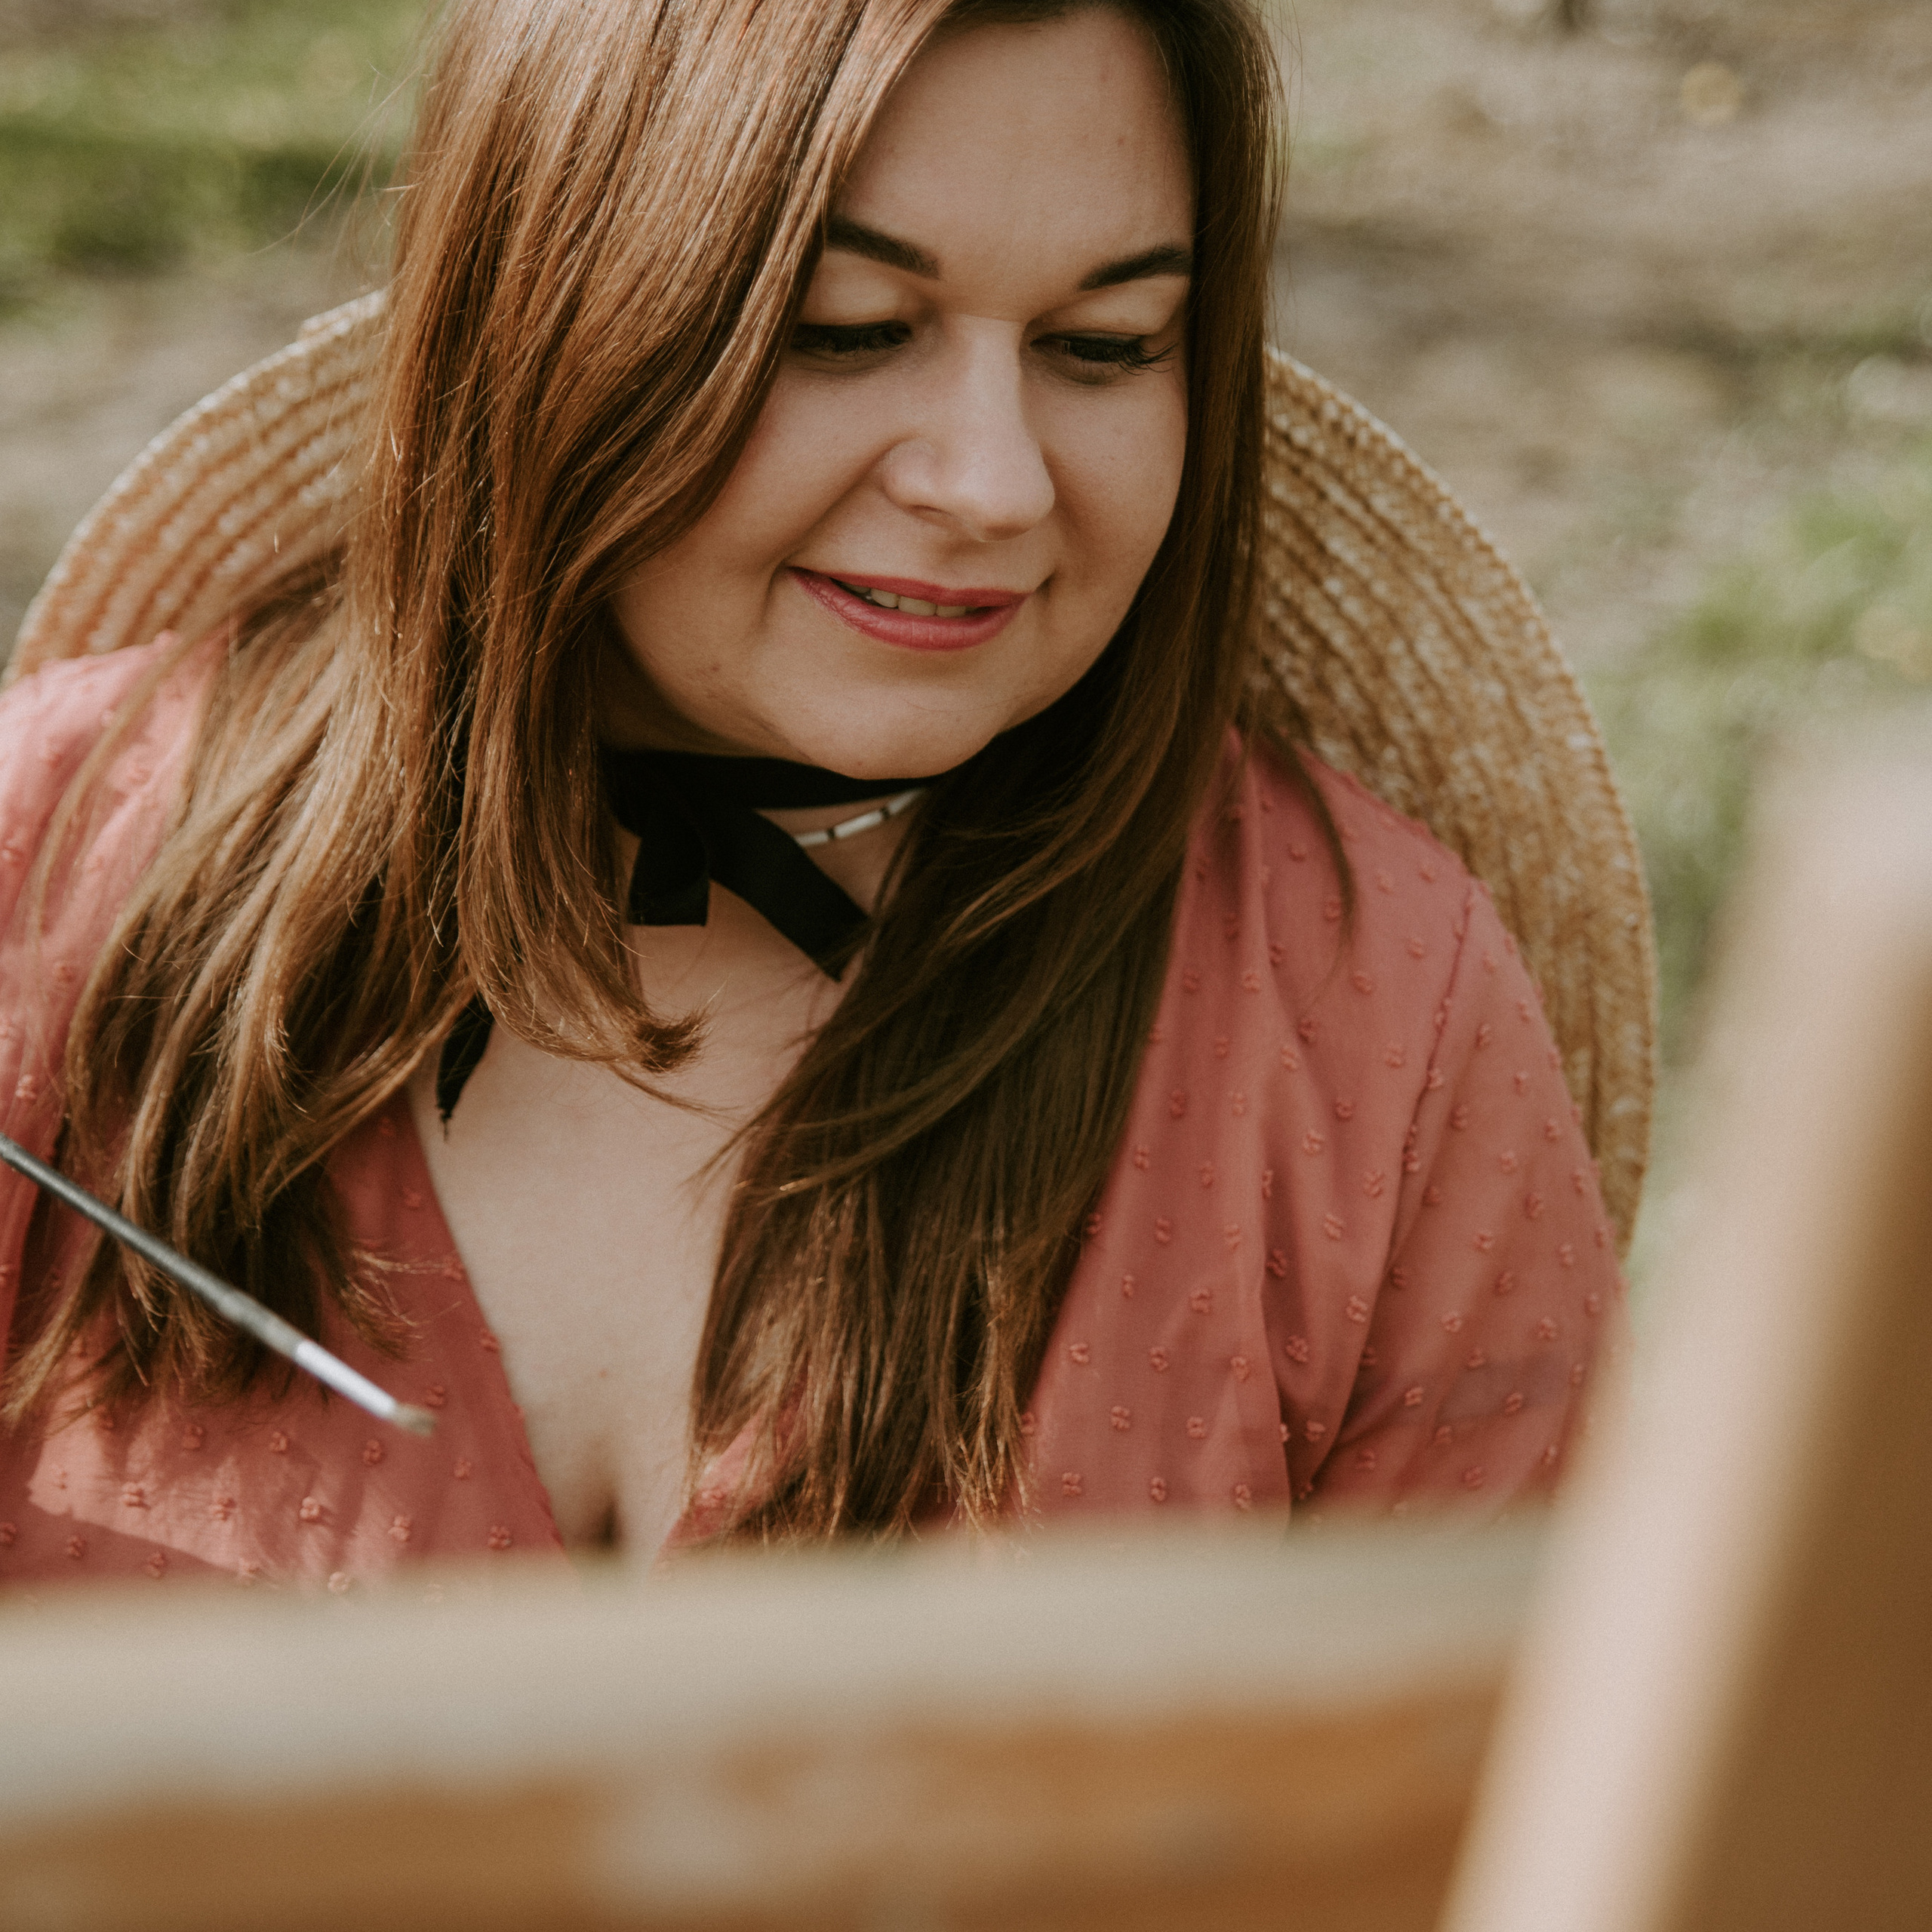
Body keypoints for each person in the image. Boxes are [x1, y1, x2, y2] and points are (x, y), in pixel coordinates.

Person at [0, 0, 1650, 1589]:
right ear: (564, 313)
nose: (989, 484)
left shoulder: (1368, 1003)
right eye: (849, 330)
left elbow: (1555, 1813)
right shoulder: (52, 859)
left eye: (1103, 344)